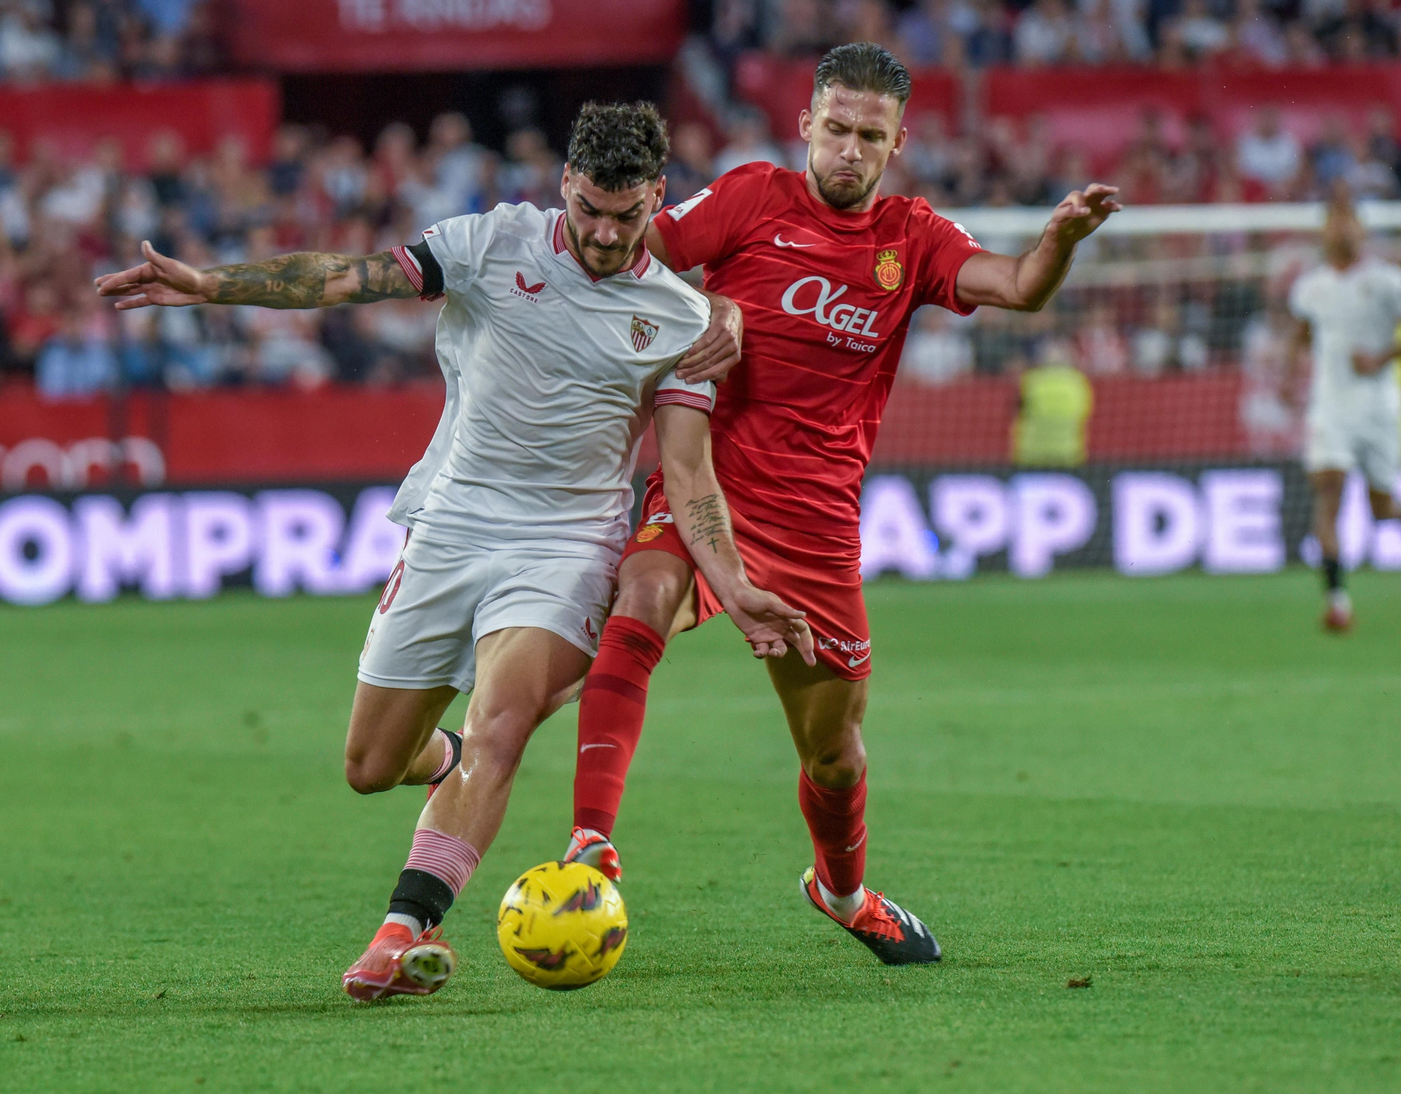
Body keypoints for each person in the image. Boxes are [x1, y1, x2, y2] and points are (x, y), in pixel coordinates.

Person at [94, 102, 812, 1001]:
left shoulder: (681, 319)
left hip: (565, 544)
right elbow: (348, 278)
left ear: (656, 199)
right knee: (371, 767)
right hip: (451, 524)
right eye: (590, 208)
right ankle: (444, 765)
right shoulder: (490, 242)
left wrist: (734, 585)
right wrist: (213, 285)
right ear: (565, 186)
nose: (603, 231)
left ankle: (402, 931)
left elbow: (689, 473)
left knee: (500, 724)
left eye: (626, 216)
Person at [562, 42, 1121, 966]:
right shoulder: (748, 198)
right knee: (643, 597)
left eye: (870, 135)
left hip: (819, 530)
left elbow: (1018, 288)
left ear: (897, 142)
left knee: (836, 755)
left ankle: (843, 891)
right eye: (836, 129)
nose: (850, 150)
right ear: (805, 127)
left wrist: (1060, 237)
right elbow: (632, 254)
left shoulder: (915, 238)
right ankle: (590, 843)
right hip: (709, 483)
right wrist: (709, 314)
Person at [1288, 199, 1401, 632]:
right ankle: (1337, 601)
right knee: (1328, 490)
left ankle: (1338, 598)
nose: (1342, 231)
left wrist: (1380, 358)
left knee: (1383, 509)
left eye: (1349, 223)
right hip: (1330, 407)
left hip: (1377, 409)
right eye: (1335, 223)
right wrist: (1286, 374)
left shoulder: (1387, 282)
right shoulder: (1310, 287)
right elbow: (1300, 336)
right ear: (1324, 233)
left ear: (1362, 231)